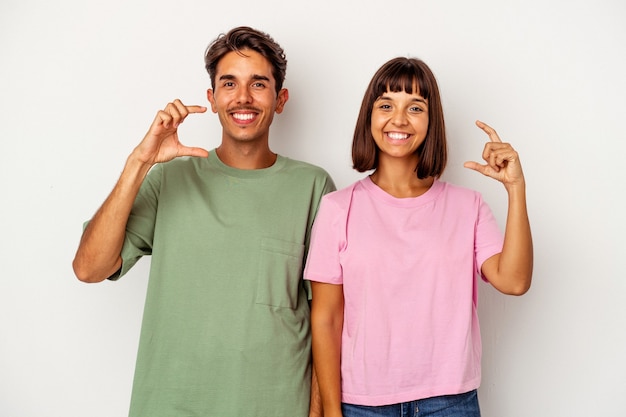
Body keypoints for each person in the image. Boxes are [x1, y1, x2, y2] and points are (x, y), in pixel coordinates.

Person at [72, 26, 334, 417]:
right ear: (212, 99)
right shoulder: (169, 179)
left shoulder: (313, 187)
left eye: (258, 84)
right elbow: (89, 268)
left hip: (275, 406)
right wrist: (138, 163)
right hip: (170, 405)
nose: (243, 97)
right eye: (229, 83)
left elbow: (326, 318)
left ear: (280, 100)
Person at [305, 57, 533, 417]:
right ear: (370, 117)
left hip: (450, 402)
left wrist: (516, 189)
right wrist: (332, 411)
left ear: (431, 122)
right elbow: (326, 319)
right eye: (386, 105)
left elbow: (515, 281)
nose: (399, 119)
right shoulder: (337, 208)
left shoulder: (468, 206)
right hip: (363, 404)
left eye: (415, 107)